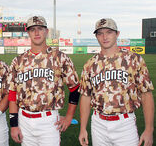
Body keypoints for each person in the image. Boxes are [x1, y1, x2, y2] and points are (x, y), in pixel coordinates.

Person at [78, 18, 154, 146]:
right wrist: (82, 128)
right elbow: (86, 96)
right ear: (96, 36)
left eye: (109, 32)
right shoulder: (90, 64)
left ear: (117, 34)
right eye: (100, 33)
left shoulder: (133, 59)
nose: (104, 37)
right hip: (98, 123)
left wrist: (149, 129)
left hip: (125, 124)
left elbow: (146, 95)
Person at [8, 16, 80, 146]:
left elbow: (75, 88)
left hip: (49, 120)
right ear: (28, 33)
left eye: (40, 29)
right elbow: (12, 94)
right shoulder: (18, 61)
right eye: (32, 29)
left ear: (46, 31)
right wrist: (13, 125)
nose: (36, 33)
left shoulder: (60, 58)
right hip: (24, 119)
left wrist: (69, 117)